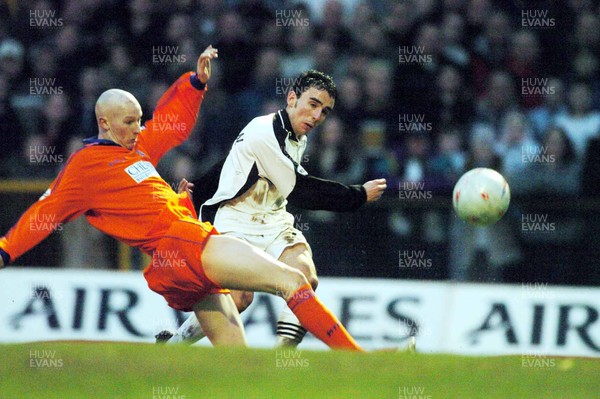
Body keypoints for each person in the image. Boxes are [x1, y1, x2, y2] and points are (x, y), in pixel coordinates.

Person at [0, 47, 364, 352]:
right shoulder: (85, 167)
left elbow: (171, 123)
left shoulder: (136, 148)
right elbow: (45, 212)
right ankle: (358, 360)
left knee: (239, 365)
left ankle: (167, 354)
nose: (138, 128)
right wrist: (5, 250)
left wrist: (196, 84)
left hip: (179, 258)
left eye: (139, 120)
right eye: (129, 122)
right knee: (293, 281)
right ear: (104, 123)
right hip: (185, 244)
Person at [160, 70, 387, 347]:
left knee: (305, 276)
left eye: (325, 111)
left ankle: (281, 356)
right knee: (239, 298)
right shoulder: (264, 131)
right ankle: (174, 345)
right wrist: (358, 195)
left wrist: (197, 187)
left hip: (272, 219)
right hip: (235, 221)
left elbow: (230, 163)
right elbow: (302, 190)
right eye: (313, 104)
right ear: (292, 98)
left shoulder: (297, 136)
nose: (317, 116)